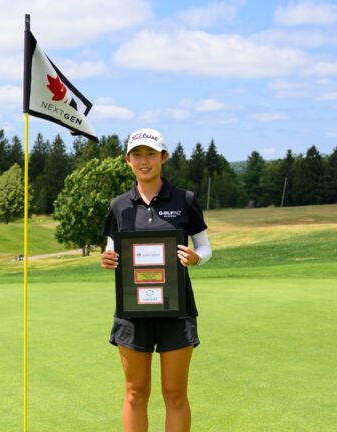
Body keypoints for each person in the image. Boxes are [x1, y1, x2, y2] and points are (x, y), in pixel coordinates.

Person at [100, 128, 212, 432]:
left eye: (151, 154)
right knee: (135, 393)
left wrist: (196, 257)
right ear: (127, 160)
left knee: (175, 394)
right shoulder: (118, 205)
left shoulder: (185, 200)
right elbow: (112, 248)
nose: (144, 160)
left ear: (164, 157)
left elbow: (204, 246)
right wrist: (107, 258)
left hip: (176, 309)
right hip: (132, 311)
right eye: (137, 154)